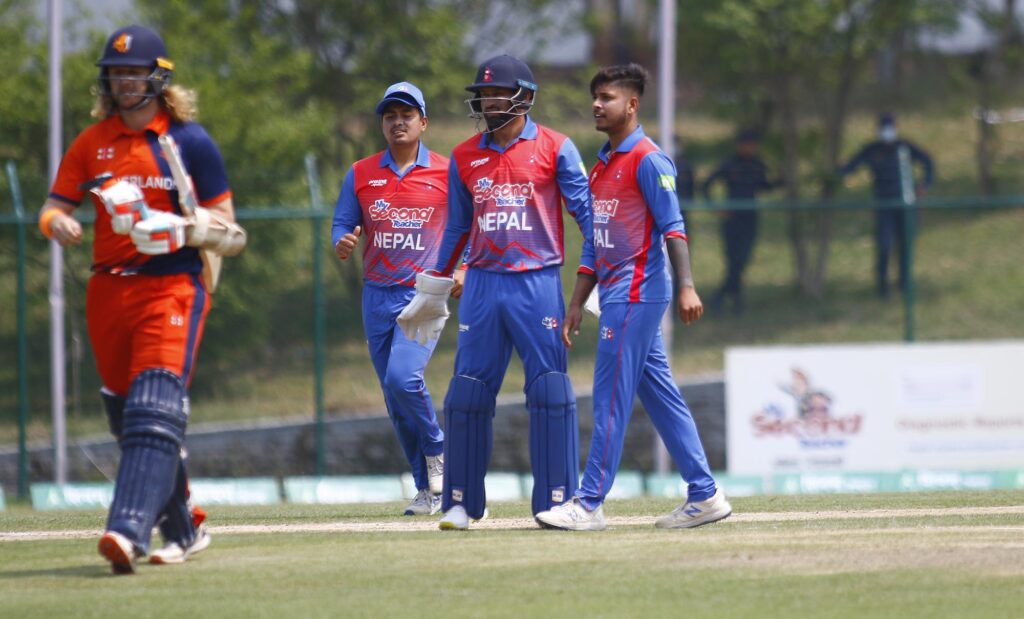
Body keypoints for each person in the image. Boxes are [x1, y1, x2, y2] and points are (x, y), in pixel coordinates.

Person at [39, 25, 246, 573]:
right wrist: (58, 224)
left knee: (154, 406)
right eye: (117, 73)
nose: (125, 82)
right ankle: (184, 526)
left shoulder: (189, 142)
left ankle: (126, 531)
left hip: (172, 286)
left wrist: (181, 229)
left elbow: (231, 230)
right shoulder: (92, 142)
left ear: (158, 78)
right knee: (124, 413)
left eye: (135, 72)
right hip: (108, 288)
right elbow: (54, 206)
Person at [396, 54, 595, 530]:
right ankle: (462, 503)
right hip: (483, 285)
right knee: (466, 394)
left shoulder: (556, 147)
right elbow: (457, 228)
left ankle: (555, 499)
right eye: (483, 95)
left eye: (497, 93)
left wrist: (600, 274)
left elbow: (588, 216)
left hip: (537, 281)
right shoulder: (465, 155)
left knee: (549, 390)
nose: (488, 102)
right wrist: (435, 285)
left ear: (524, 97)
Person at [535, 63, 731, 531]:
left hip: (637, 292)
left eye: (607, 97)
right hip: (615, 295)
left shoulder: (648, 159)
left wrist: (687, 285)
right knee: (660, 396)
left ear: (632, 104)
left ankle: (589, 503)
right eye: (595, 97)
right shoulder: (601, 164)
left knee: (609, 399)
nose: (597, 105)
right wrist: (577, 300)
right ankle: (705, 494)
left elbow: (674, 228)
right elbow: (595, 241)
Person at [331, 82, 451, 517]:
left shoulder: (447, 171)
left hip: (423, 295)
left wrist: (463, 269)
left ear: (424, 122)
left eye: (407, 115)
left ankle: (438, 452)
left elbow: (470, 226)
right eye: (390, 116)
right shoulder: (361, 172)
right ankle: (426, 490)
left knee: (404, 379)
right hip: (377, 296)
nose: (398, 122)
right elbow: (342, 222)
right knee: (394, 399)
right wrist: (342, 241)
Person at [837, 113, 934, 298]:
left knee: (905, 244)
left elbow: (928, 162)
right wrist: (834, 173)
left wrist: (925, 184)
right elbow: (850, 167)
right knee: (885, 244)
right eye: (884, 128)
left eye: (890, 128)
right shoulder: (872, 150)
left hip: (905, 204)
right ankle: (882, 286)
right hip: (884, 205)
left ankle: (904, 283)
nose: (887, 132)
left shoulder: (904, 147)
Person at [701, 130, 779, 314]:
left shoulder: (758, 165)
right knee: (733, 260)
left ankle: (722, 296)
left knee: (743, 259)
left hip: (750, 218)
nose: (748, 148)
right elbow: (706, 185)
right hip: (732, 218)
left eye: (751, 145)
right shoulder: (729, 165)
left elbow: (764, 186)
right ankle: (733, 300)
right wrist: (714, 208)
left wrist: (781, 180)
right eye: (745, 144)